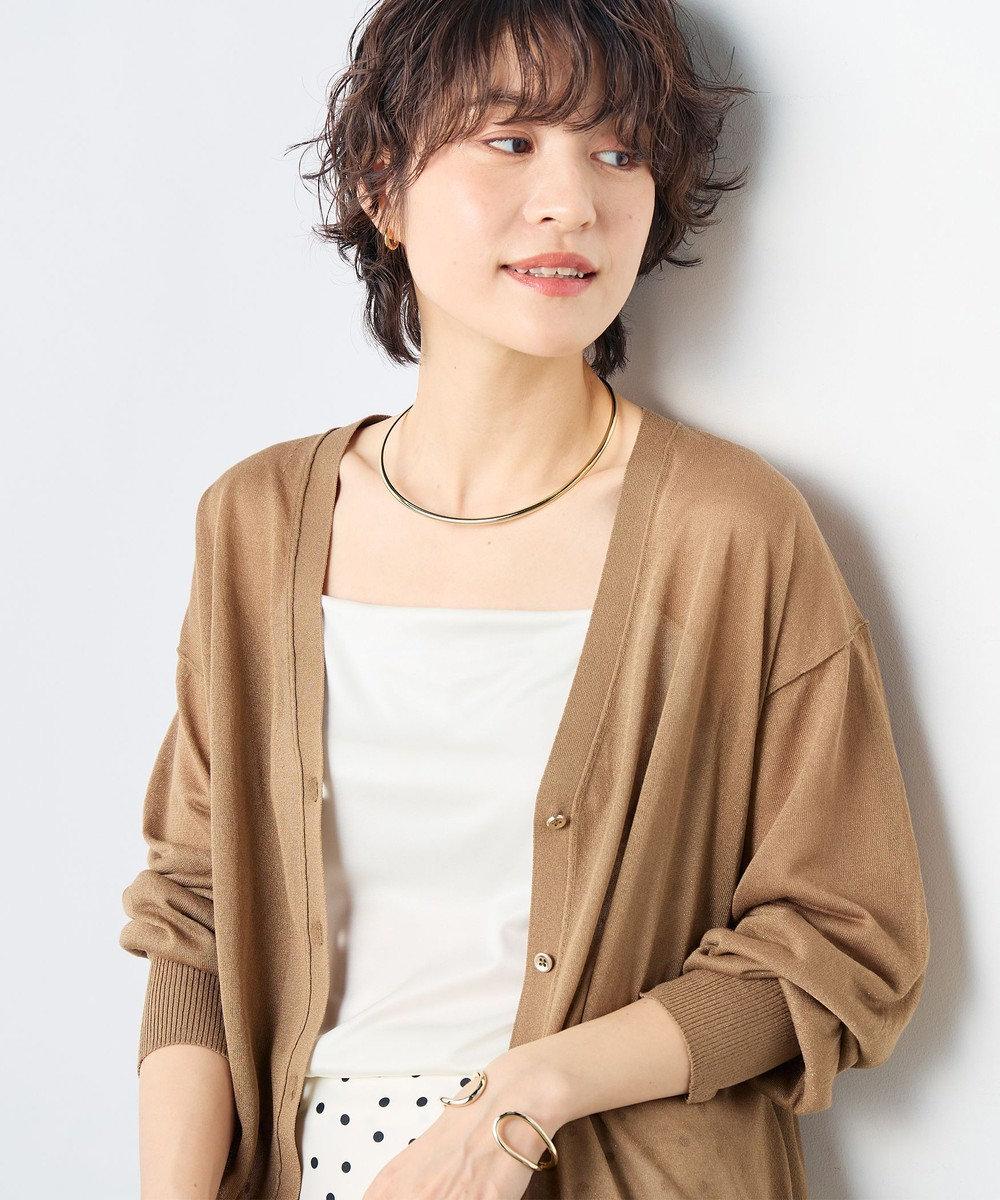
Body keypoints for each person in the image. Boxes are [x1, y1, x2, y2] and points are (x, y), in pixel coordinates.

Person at [119, 2, 930, 1199]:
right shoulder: (257, 524)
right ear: (383, 187)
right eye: (511, 140)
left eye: (618, 151)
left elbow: (843, 938)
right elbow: (197, 914)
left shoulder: (730, 531)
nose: (572, 201)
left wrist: (524, 1096)